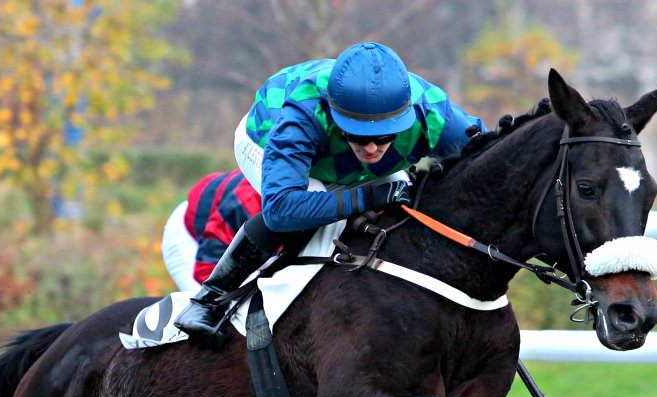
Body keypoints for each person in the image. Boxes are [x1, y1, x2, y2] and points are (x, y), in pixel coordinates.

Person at [174, 41, 485, 338]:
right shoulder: (303, 115)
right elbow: (281, 210)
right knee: (322, 216)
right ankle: (209, 299)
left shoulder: (436, 115)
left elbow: (488, 161)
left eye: (385, 134)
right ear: (338, 118)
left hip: (337, 154)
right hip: (263, 139)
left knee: (408, 199)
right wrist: (368, 196)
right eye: (360, 135)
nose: (373, 147)